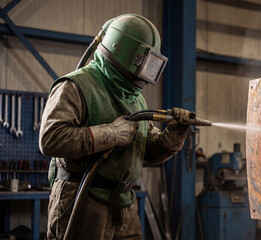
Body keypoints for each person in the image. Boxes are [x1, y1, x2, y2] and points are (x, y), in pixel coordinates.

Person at [39, 14, 192, 239]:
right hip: (82, 200)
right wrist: (111, 134)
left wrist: (172, 137)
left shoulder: (135, 98)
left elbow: (147, 151)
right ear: (123, 52)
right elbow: (51, 139)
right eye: (143, 63)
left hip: (125, 204)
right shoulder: (75, 85)